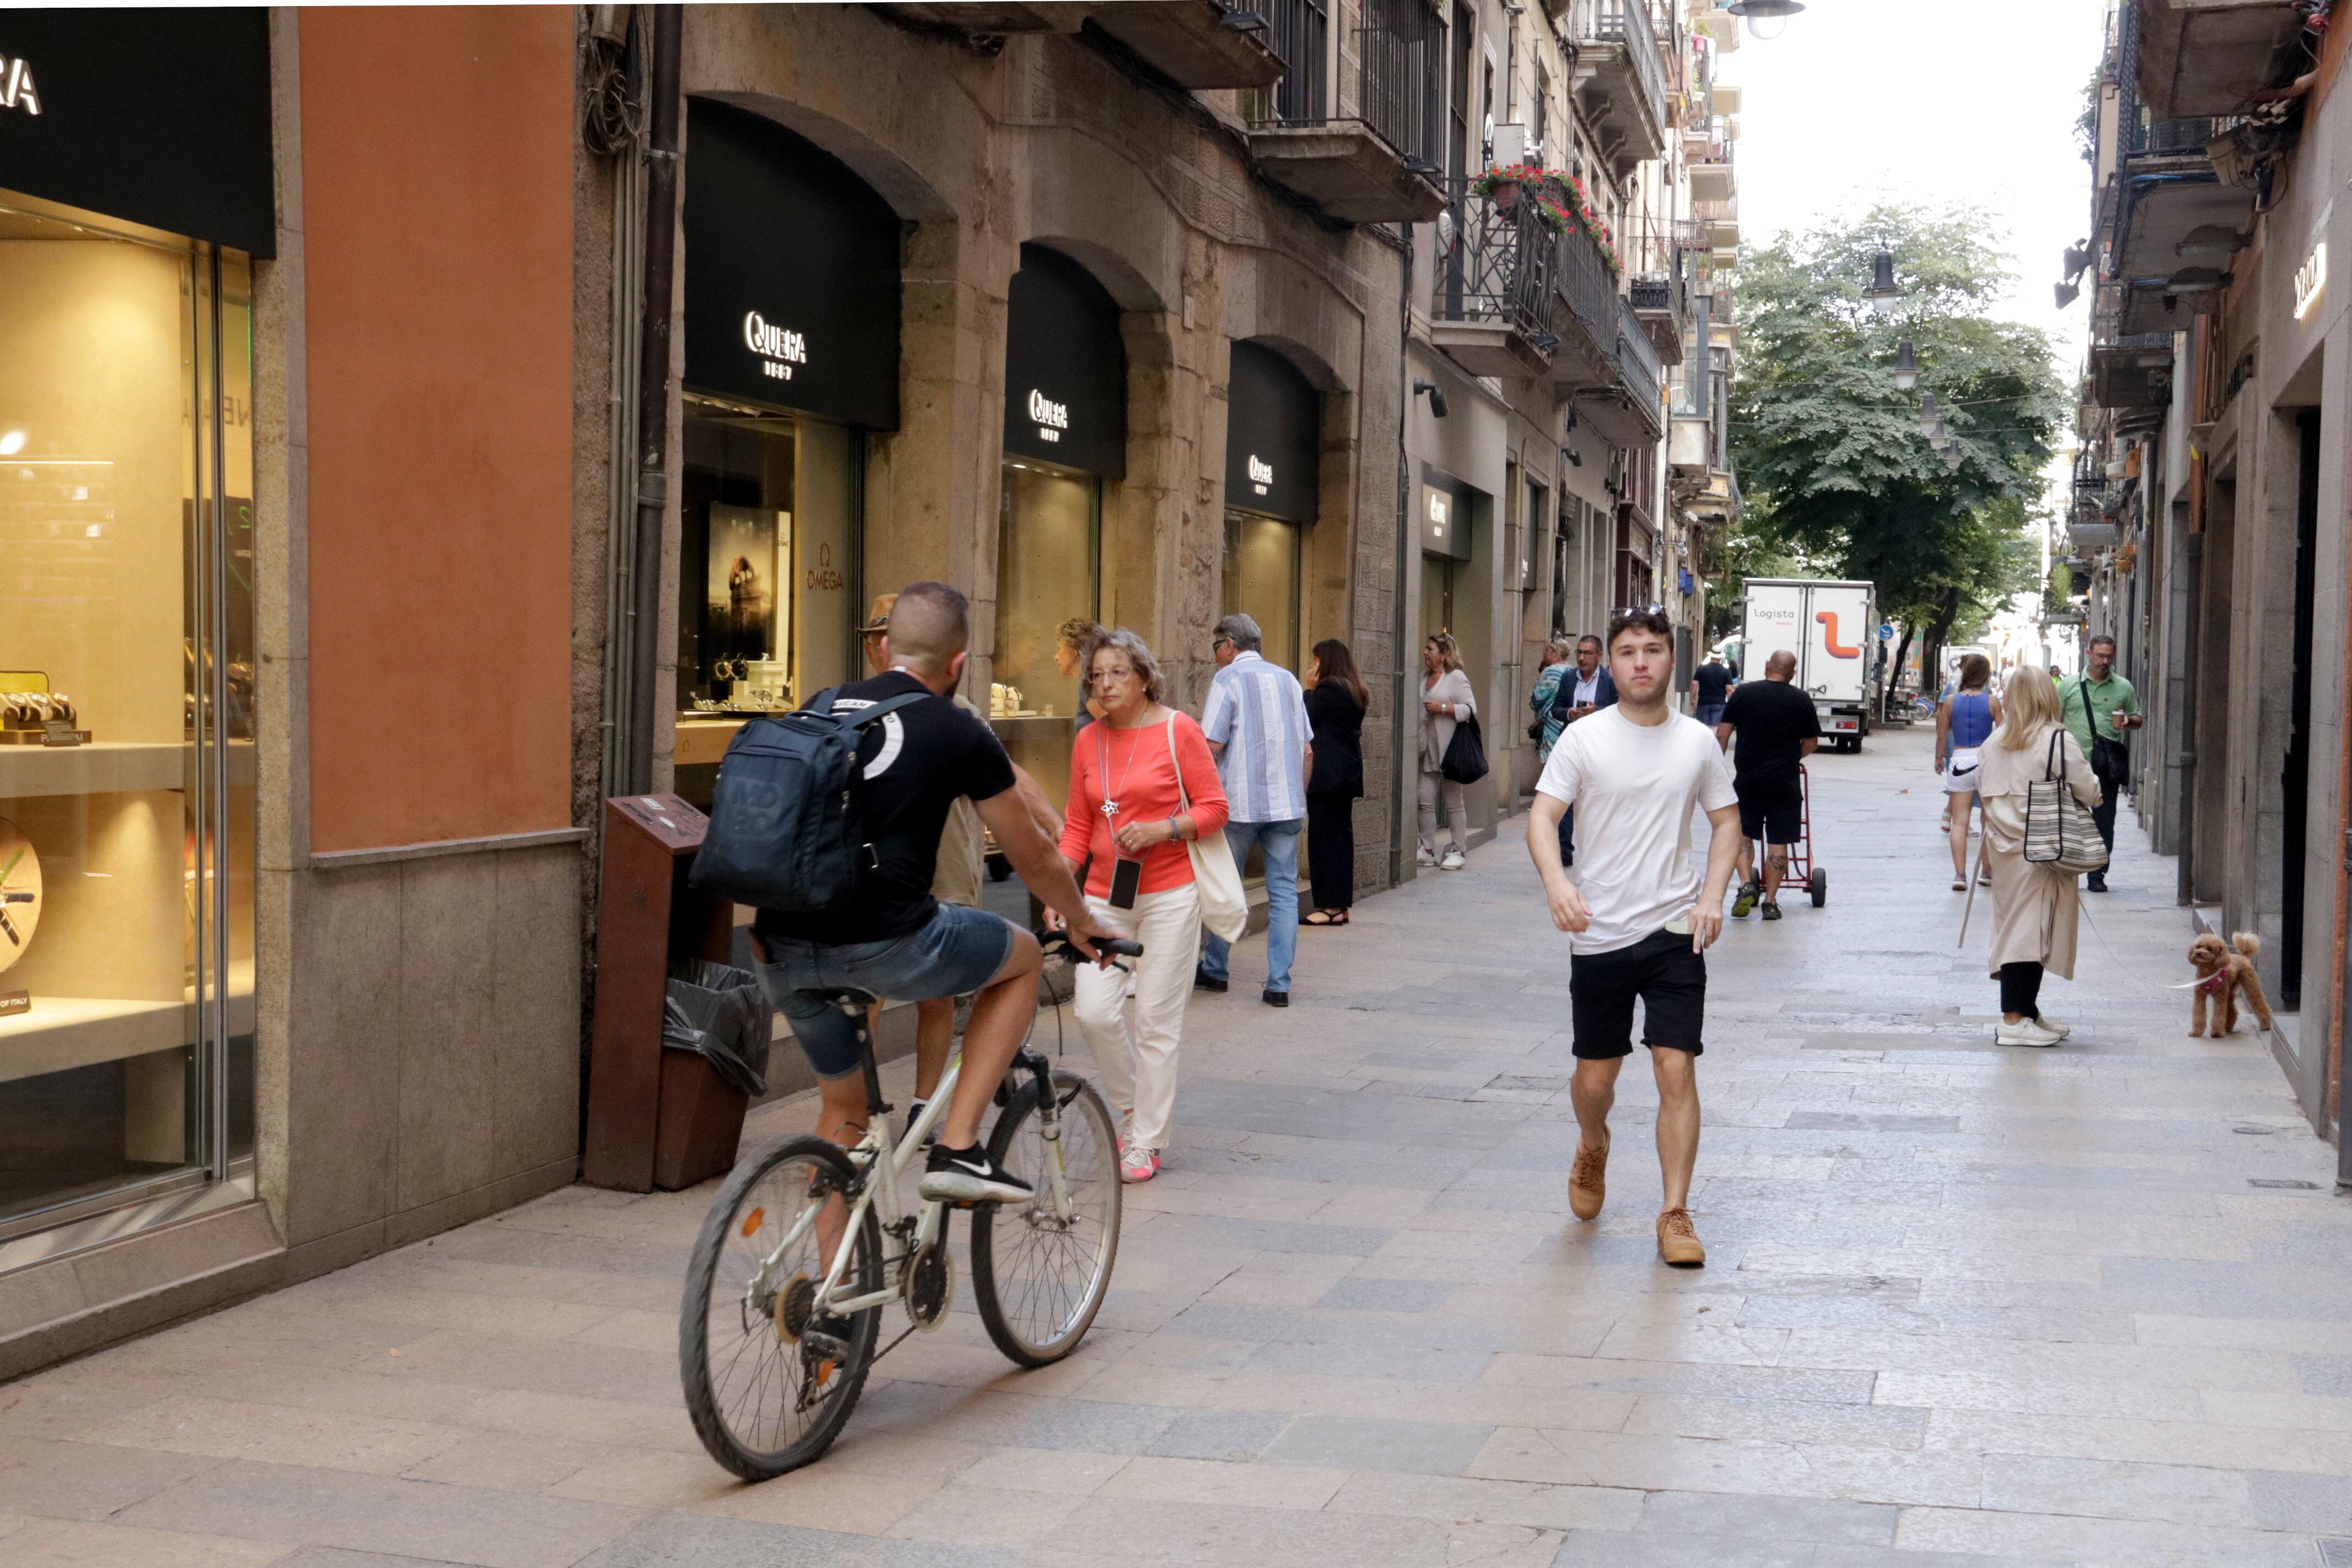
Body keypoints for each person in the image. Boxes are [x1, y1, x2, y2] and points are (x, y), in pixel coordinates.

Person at [752, 582, 1110, 1206]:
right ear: (958, 663)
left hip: (778, 945)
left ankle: (827, 1294)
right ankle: (961, 1146)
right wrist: (1081, 920)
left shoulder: (822, 704)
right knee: (1022, 956)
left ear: (885, 646)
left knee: (844, 1113)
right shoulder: (954, 725)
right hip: (883, 938)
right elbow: (1031, 856)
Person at [1525, 609, 1741, 1267]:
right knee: (1597, 1076)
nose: (1640, 662)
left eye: (1652, 650)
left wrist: (1711, 898)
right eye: (1627, 652)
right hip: (1600, 932)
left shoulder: (1697, 742)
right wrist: (1559, 885)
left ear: (1672, 660)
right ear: (1610, 664)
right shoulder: (1584, 740)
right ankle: (1593, 1143)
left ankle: (1675, 1211)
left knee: (1675, 1066)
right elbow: (1542, 818)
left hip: (1676, 930)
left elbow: (1727, 823)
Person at [853, 595, 1063, 1144]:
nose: (878, 650)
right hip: (881, 878)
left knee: (935, 996)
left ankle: (924, 1106)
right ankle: (879, 1121)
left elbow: (1011, 776)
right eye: (874, 639)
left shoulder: (951, 713)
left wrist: (1059, 823)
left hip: (940, 867)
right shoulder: (872, 709)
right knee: (868, 1000)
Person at [1056, 630, 1229, 1182]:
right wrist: (1058, 893)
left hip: (1169, 895)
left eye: (1117, 673)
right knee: (1093, 1010)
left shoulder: (1179, 731)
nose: (1104, 685)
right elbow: (1078, 827)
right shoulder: (1089, 740)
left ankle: (1147, 1139)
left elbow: (1215, 808)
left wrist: (1163, 827)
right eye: (1096, 675)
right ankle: (1132, 1104)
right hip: (1103, 898)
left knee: (1156, 1019)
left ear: (1145, 678)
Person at [1976, 664, 2100, 1047]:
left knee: (2019, 928)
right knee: (2029, 933)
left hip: (2004, 850)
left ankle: (2027, 1012)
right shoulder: (2055, 740)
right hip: (2045, 850)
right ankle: (2013, 1020)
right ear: (2048, 696)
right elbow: (2091, 791)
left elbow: (1983, 795)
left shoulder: (1992, 743)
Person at [1195, 614, 1313, 1005]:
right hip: (1287, 805)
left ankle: (1215, 969)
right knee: (1283, 893)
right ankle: (1279, 983)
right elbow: (1308, 750)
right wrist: (1299, 797)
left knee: (1225, 887)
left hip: (1239, 806)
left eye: (1216, 647)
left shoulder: (1228, 680)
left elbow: (1208, 746)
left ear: (1229, 644)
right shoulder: (1289, 681)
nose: (1215, 656)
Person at [1714, 650, 1820, 921]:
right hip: (1784, 782)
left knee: (1743, 834)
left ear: (1766, 666)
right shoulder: (1801, 699)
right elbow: (1811, 743)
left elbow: (1722, 734)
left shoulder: (1743, 694)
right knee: (1778, 842)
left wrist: (1716, 769)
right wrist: (1792, 756)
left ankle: (1747, 884)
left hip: (1748, 779)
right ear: (1792, 673)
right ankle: (1771, 903)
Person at [2059, 634, 2141, 892]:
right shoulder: (2068, 685)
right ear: (2089, 653)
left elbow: (2138, 717)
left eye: (2109, 657)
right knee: (2069, 819)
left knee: (2105, 821)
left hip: (2106, 765)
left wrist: (2129, 721)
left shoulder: (2123, 687)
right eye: (2100, 656)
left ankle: (2097, 874)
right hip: (2072, 764)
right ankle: (2068, 868)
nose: (2105, 662)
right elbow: (2052, 718)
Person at [1303, 638, 1368, 928]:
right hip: (1344, 774)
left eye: (1315, 660)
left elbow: (1305, 719)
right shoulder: (1352, 688)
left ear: (1326, 661)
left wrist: (1309, 689)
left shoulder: (1329, 689)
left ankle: (1329, 906)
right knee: (1340, 840)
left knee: (1324, 840)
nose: (1312, 665)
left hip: (1327, 776)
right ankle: (1340, 905)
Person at [1935, 653, 2001, 894]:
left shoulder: (1952, 701)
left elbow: (1942, 734)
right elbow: (2004, 733)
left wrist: (1939, 757)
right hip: (1985, 760)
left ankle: (1960, 875)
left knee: (1960, 822)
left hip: (1960, 759)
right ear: (1986, 675)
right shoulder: (1993, 702)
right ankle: (1987, 872)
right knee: (1988, 820)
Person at [1554, 634, 1619, 868]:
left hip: (1599, 747)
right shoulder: (1569, 678)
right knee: (1566, 798)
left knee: (1595, 799)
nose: (1581, 658)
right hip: (1571, 744)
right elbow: (1556, 709)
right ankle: (1564, 850)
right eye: (1579, 653)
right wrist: (1571, 713)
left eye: (1587, 653)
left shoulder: (1610, 682)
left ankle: (1597, 849)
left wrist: (1597, 712)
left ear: (1599, 656)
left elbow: (1619, 712)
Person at [1418, 633, 1478, 870]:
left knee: (1454, 802)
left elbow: (1471, 710)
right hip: (1428, 749)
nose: (1426, 653)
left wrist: (1442, 708)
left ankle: (1458, 850)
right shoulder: (1423, 677)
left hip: (1451, 749)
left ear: (1444, 654)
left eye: (1431, 649)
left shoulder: (1456, 678)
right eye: (1426, 648)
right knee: (1424, 799)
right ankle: (1427, 848)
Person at [1055, 617, 1106, 733]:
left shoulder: (1089, 682)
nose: (1056, 656)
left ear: (1074, 650)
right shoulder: (1092, 678)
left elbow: (1112, 729)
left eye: (1060, 649)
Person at [1690, 650, 1736, 729]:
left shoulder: (1702, 668)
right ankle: (1713, 741)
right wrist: (1730, 704)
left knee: (1702, 728)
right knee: (1715, 727)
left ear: (1711, 656)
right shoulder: (1726, 671)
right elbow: (1729, 689)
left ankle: (1705, 741)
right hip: (1719, 703)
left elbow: (1694, 684)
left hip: (1703, 703)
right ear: (1721, 658)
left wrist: (1692, 699)